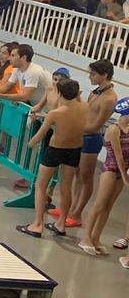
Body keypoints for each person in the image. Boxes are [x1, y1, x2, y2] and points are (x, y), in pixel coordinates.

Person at [16, 78, 86, 239]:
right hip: (74, 150)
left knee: (41, 186)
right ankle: (61, 224)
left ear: (60, 93)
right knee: (66, 187)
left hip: (55, 150)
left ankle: (37, 225)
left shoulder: (55, 113)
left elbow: (39, 137)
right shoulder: (85, 107)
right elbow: (77, 105)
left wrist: (29, 143)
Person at [53, 60, 117, 231]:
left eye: (93, 74)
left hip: (91, 139)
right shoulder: (96, 91)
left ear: (104, 75)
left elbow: (96, 125)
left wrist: (75, 128)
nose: (90, 77)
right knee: (76, 175)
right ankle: (71, 208)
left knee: (85, 178)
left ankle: (76, 214)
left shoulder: (110, 98)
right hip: (82, 136)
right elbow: (86, 113)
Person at [79, 98, 129, 257]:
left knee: (108, 207)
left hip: (122, 171)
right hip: (111, 169)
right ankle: (85, 238)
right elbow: (118, 156)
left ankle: (96, 238)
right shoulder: (114, 130)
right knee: (99, 205)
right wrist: (125, 176)